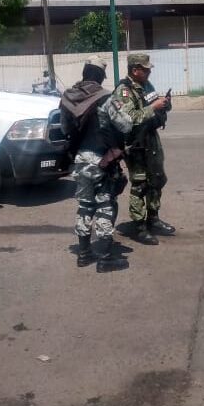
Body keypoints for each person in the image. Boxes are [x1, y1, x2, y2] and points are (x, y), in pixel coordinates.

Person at [61, 56, 134, 273]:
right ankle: (105, 257)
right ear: (101, 76)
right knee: (105, 206)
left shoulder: (67, 98)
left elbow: (65, 129)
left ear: (84, 73)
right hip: (103, 161)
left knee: (84, 205)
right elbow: (126, 125)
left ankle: (83, 254)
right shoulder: (105, 98)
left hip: (80, 161)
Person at [112, 53, 172, 245]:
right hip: (136, 145)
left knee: (157, 179)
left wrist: (164, 105)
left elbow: (155, 107)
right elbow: (129, 119)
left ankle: (153, 218)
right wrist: (154, 107)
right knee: (140, 185)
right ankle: (139, 226)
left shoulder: (147, 86)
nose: (148, 72)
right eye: (145, 69)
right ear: (134, 70)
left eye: (148, 69)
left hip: (152, 140)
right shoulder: (124, 91)